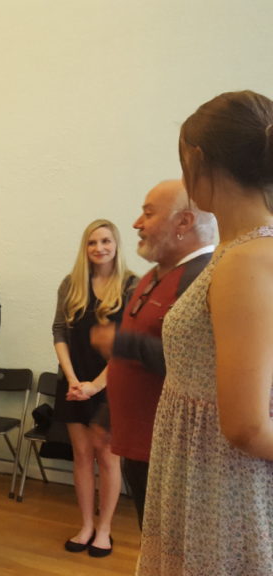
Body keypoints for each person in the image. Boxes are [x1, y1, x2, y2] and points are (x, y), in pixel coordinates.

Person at [137, 89, 273, 575]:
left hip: (224, 486)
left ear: (196, 158)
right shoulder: (236, 249)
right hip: (202, 473)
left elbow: (247, 424)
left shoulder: (248, 260)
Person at [90, 180, 215, 528]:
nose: (136, 224)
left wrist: (122, 344)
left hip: (172, 451)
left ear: (184, 222)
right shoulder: (152, 276)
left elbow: (196, 361)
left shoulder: (202, 277)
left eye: (148, 213)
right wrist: (108, 414)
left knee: (172, 545)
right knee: (155, 540)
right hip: (138, 442)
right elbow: (130, 360)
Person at [51, 219, 136, 558]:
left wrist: (96, 385)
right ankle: (86, 524)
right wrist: (73, 380)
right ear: (84, 248)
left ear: (116, 245)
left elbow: (129, 343)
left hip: (112, 385)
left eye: (105, 241)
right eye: (92, 242)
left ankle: (105, 529)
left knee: (108, 458)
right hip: (73, 383)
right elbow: (59, 331)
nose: (99, 248)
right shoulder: (71, 284)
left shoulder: (131, 285)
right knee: (82, 456)